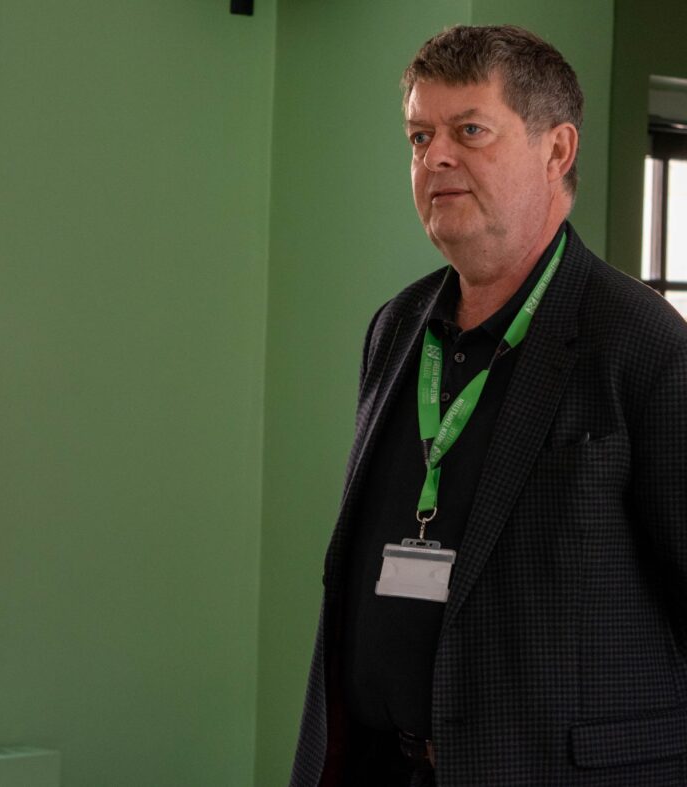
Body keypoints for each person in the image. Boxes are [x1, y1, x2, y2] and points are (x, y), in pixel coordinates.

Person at [291, 24, 687, 787]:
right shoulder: (397, 327)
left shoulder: (641, 344)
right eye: (419, 136)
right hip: (380, 766)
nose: (435, 157)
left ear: (557, 150)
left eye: (469, 130)